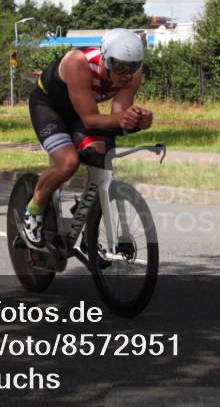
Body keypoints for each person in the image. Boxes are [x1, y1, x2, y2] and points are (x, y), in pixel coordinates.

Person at [25, 28, 153, 247]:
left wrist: (138, 121)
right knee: (69, 162)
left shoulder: (133, 76)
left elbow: (115, 119)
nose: (125, 75)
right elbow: (91, 120)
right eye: (118, 66)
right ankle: (33, 209)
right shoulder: (79, 63)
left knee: (101, 154)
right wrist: (123, 119)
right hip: (48, 108)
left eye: (133, 67)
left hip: (79, 111)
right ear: (104, 59)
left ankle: (88, 222)